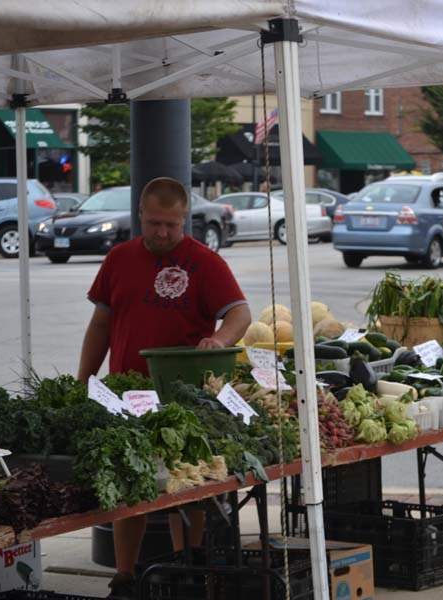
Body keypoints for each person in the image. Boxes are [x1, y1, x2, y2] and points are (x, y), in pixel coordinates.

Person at [76, 177, 251, 600]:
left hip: (182, 398)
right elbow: (101, 324)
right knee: (128, 485)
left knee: (185, 487)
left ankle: (186, 568)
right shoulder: (118, 259)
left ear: (184, 218)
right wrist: (84, 378)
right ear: (140, 215)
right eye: (154, 223)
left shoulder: (204, 262)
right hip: (125, 392)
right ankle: (124, 575)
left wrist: (220, 340)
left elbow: (240, 314)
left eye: (171, 225)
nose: (162, 233)